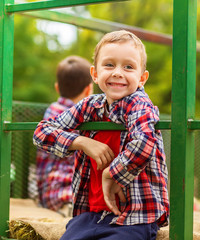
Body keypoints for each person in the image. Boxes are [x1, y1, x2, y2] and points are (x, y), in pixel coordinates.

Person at [33, 30, 169, 240]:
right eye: (109, 65)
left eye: (128, 67)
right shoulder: (90, 106)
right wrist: (81, 141)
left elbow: (144, 143)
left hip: (134, 216)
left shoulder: (139, 105)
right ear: (94, 74)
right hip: (90, 213)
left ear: (142, 78)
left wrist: (111, 174)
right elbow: (42, 132)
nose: (117, 72)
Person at [36, 55, 93, 213]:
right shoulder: (82, 117)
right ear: (88, 89)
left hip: (47, 193)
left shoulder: (52, 111)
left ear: (56, 87)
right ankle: (69, 209)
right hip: (67, 193)